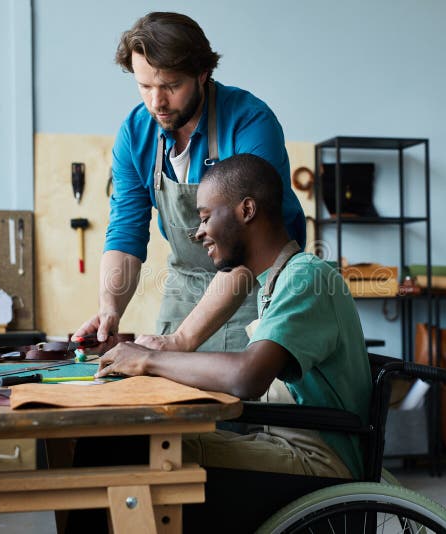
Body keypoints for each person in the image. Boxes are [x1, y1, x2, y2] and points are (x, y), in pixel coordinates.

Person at [94, 154, 372, 480]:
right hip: (288, 444)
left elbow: (247, 377)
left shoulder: (304, 277)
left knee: (135, 450)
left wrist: (147, 360)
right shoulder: (277, 280)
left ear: (247, 210)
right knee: (146, 441)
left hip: (320, 460)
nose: (198, 233)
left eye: (205, 217)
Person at [73, 12, 306, 353]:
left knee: (247, 386)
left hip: (259, 289)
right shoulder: (135, 133)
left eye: (170, 86)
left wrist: (182, 341)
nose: (157, 102)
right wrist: (110, 309)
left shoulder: (250, 122)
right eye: (145, 86)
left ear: (202, 73)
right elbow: (125, 231)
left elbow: (251, 244)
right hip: (185, 291)